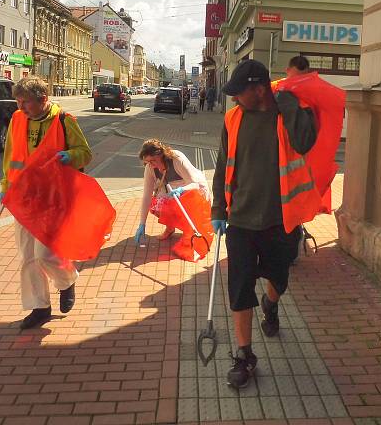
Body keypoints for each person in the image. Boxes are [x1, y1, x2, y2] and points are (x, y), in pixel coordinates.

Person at [211, 59, 319, 389]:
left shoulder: (290, 112)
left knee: (279, 276)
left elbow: (305, 142)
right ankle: (245, 355)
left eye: (239, 92)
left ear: (259, 90)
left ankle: (271, 304)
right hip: (241, 219)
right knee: (240, 286)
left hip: (281, 219)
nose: (233, 99)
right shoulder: (233, 118)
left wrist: (287, 103)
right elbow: (221, 164)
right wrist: (218, 207)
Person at [0, 77, 93, 329]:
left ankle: (66, 281)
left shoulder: (64, 120)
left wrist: (69, 155)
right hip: (25, 197)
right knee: (28, 257)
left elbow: (85, 153)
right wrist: (5, 186)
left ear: (43, 99)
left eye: (25, 102)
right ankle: (39, 307)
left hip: (54, 198)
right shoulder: (17, 120)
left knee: (46, 254)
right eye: (18, 101)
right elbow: (11, 156)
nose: (20, 107)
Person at [134, 139, 210, 243]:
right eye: (147, 162)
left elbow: (195, 184)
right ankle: (170, 227)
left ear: (160, 154)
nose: (150, 165)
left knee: (188, 206)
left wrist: (181, 190)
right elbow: (147, 196)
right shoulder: (150, 168)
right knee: (157, 204)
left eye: (152, 161)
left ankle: (189, 231)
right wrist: (142, 223)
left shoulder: (176, 158)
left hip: (192, 189)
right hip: (171, 191)